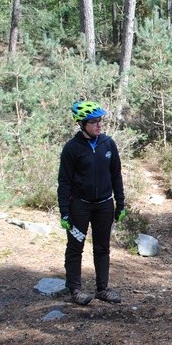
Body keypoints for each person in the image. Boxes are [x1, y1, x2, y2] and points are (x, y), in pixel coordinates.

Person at [57, 101, 126, 305]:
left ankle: (102, 289)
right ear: (82, 124)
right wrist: (64, 213)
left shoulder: (108, 144)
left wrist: (120, 204)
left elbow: (116, 175)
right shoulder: (71, 148)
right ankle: (75, 289)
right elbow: (64, 182)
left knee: (102, 247)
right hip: (80, 205)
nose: (98, 125)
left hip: (105, 204)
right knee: (75, 247)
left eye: (100, 121)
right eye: (93, 122)